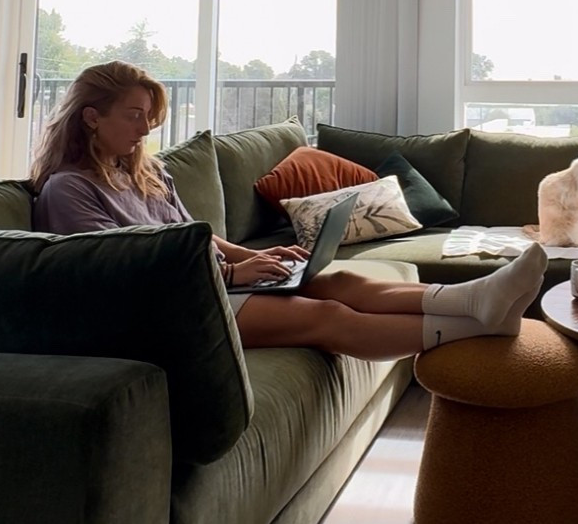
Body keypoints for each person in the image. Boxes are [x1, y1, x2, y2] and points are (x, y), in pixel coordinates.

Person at [30, 63, 546, 360]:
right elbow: (121, 273)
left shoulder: (147, 172)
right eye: (134, 116)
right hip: (164, 311)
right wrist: (231, 274)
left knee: (341, 282)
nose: (146, 129)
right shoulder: (68, 190)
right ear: (92, 117)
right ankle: (482, 327)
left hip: (208, 285)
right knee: (327, 316)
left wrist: (254, 257)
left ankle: (476, 297)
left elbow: (194, 236)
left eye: (149, 117)